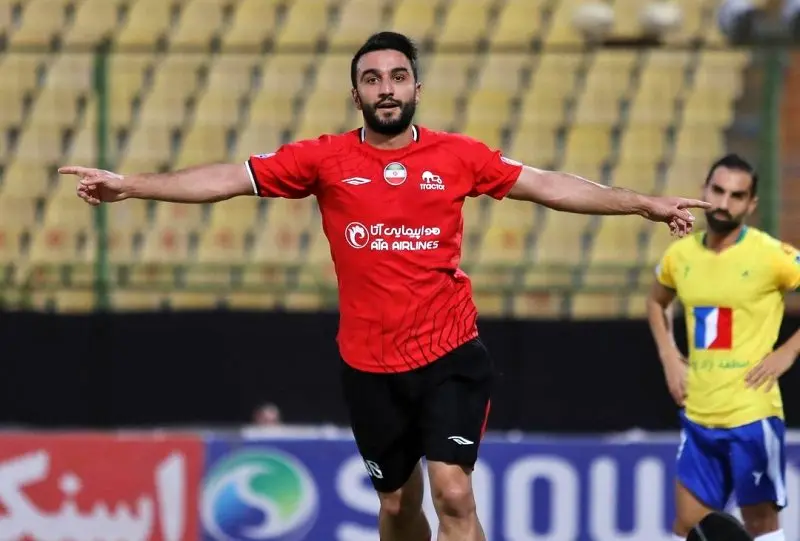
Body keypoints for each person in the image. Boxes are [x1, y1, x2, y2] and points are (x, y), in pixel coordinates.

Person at [61, 32, 710, 541]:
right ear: (357, 95)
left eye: (398, 76)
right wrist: (131, 185)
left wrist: (643, 203)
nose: (386, 88)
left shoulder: (458, 156)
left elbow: (550, 185)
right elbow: (229, 177)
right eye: (372, 79)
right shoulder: (325, 159)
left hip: (450, 354)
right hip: (369, 365)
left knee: (454, 493)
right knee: (397, 505)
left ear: (417, 87)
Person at [647, 154, 800, 541]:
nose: (724, 202)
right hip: (699, 413)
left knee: (761, 526)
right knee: (689, 528)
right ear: (704, 189)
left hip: (752, 414)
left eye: (737, 195)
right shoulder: (680, 255)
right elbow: (656, 302)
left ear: (751, 204)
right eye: (717, 191)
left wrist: (789, 351)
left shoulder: (771, 255)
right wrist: (669, 356)